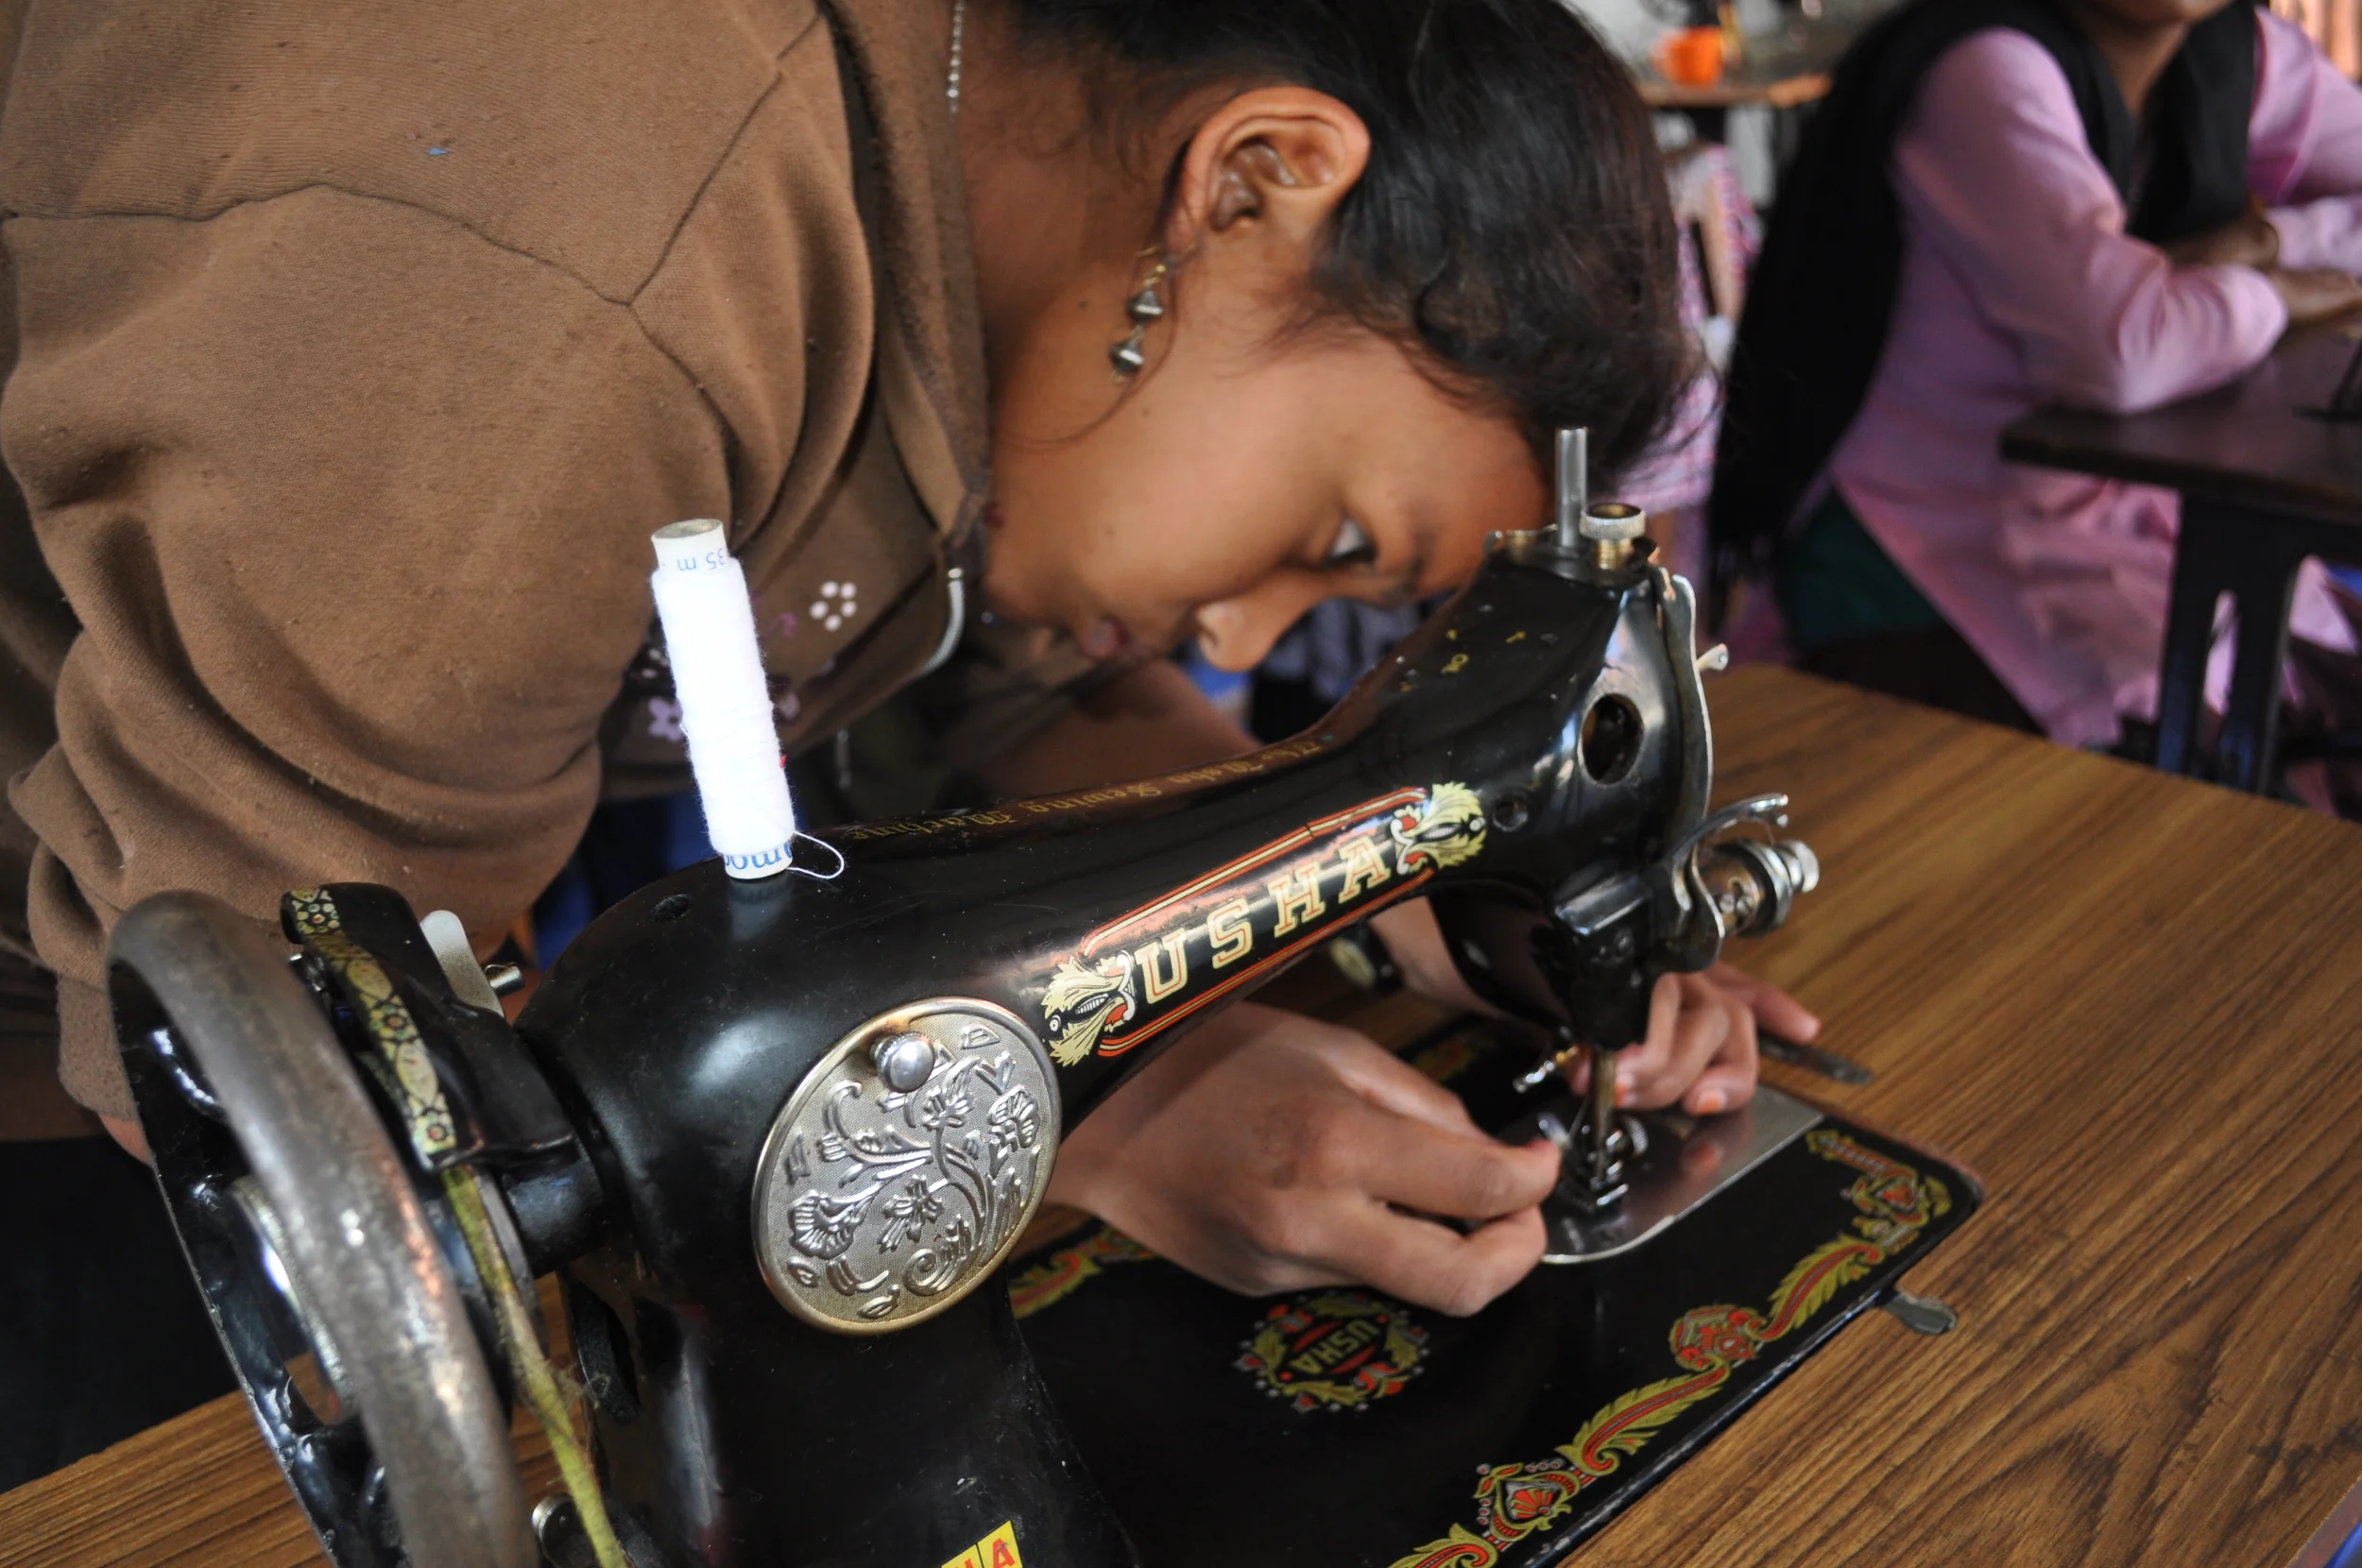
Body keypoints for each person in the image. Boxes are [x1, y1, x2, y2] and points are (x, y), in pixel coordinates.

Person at [0, 0, 1823, 1472]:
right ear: (1257, 179)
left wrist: (1407, 863)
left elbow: (987, 686)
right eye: (1333, 542)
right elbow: (308, 1094)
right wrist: (1030, 1116)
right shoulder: (599, 250)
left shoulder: (969, 232)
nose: (1249, 629)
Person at [1712, 0, 2362, 748]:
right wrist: (2270, 291)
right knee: (2184, 791)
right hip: (1921, 561)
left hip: (2121, 527)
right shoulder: (1982, 67)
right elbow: (2121, 352)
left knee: (2298, 721)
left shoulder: (2238, 53)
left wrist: (2270, 241)